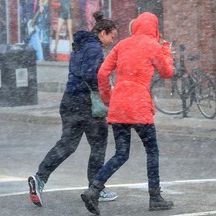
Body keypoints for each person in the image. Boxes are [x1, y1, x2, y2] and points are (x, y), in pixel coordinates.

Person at [81, 12, 174, 215]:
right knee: (152, 150)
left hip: (119, 104)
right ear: (155, 28)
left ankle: (94, 189)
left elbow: (103, 73)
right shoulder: (153, 46)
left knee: (121, 153)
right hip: (139, 105)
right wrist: (166, 49)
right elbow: (167, 72)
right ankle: (155, 197)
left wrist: (108, 99)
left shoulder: (122, 45)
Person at [28, 11, 118, 207]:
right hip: (86, 105)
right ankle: (95, 188)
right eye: (112, 36)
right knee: (98, 145)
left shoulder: (80, 46)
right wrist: (106, 88)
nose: (113, 41)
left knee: (67, 145)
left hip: (69, 101)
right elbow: (90, 75)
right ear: (103, 32)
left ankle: (39, 178)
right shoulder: (94, 48)